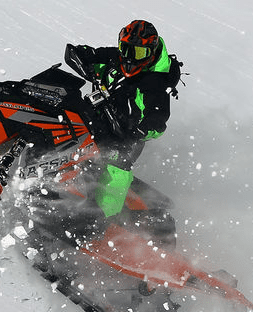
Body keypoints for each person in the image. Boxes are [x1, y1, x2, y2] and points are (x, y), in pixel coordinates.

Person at [64, 19, 182, 218]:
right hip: (93, 119)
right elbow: (74, 52)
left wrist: (138, 132)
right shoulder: (114, 58)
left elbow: (158, 121)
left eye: (138, 52)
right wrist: (86, 68)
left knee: (116, 169)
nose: (130, 57)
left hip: (124, 138)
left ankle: (102, 220)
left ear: (151, 52)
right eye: (126, 49)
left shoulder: (154, 84)